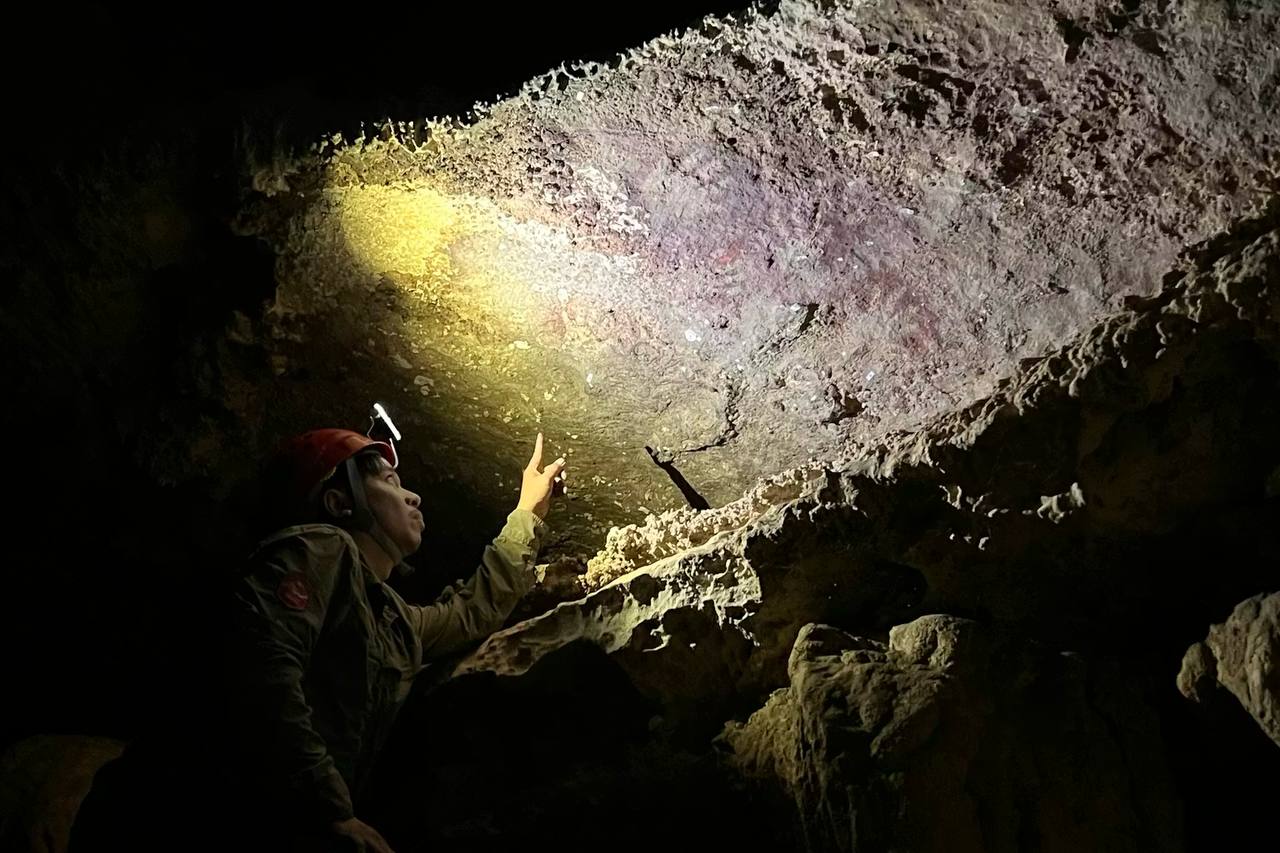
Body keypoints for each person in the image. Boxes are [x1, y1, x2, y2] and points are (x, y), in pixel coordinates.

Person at [225, 427, 566, 852]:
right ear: (340, 502)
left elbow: (471, 611)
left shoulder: (393, 621)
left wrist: (527, 513)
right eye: (390, 482)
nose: (414, 497)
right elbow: (265, 672)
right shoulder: (319, 546)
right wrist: (330, 810)